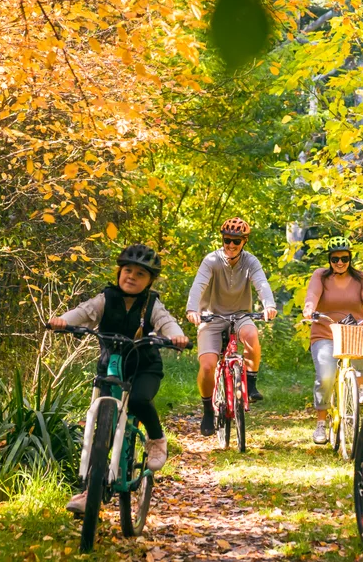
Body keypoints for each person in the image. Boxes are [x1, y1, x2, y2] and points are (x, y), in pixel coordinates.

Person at [48, 243, 189, 515]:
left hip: (143, 367)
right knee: (100, 418)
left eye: (140, 274)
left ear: (149, 281)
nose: (132, 277)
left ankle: (157, 439)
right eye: (127, 271)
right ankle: (89, 489)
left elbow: (167, 322)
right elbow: (83, 313)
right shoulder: (105, 298)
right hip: (110, 367)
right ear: (118, 273)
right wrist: (63, 321)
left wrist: (176, 336)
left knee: (138, 400)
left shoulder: (152, 305)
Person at [186, 217, 277, 436]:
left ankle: (251, 382)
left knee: (251, 334)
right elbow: (199, 285)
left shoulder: (251, 262)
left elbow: (261, 283)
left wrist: (269, 305)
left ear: (244, 242)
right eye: (227, 240)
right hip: (212, 317)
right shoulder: (211, 260)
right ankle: (208, 409)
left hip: (240, 315)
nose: (231, 245)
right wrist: (192, 309)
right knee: (208, 365)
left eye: (236, 241)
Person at [302, 236, 363, 445]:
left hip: (351, 331)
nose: (340, 263)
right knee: (325, 376)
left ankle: (361, 387)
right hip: (324, 333)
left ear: (350, 258)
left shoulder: (360, 278)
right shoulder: (320, 276)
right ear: (329, 260)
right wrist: (309, 309)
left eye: (344, 258)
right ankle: (321, 423)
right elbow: (312, 295)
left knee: (362, 332)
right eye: (335, 259)